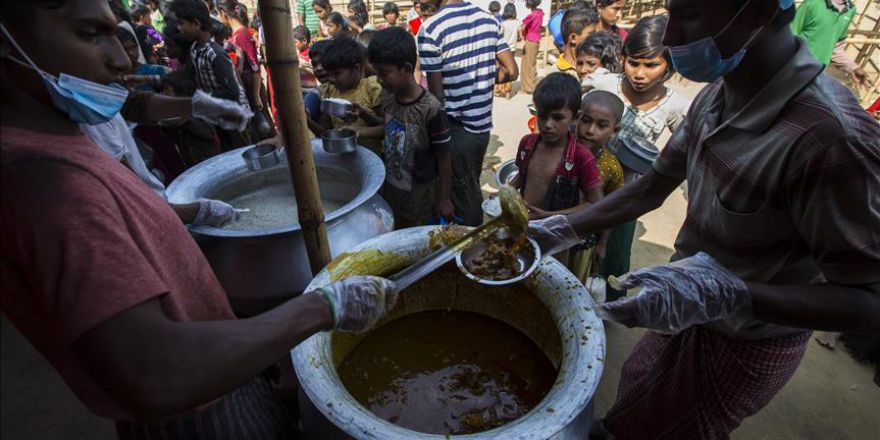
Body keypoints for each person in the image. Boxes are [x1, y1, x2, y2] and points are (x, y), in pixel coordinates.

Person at [1, 2, 398, 438]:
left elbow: (131, 106)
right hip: (197, 418)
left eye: (114, 33)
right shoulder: (48, 184)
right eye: (89, 34)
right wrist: (322, 306)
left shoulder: (57, 136)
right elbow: (154, 372)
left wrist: (194, 122)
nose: (119, 58)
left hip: (224, 377)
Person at [528, 0, 880, 438]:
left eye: (691, 15)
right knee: (629, 413)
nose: (673, 39)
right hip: (685, 312)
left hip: (745, 344)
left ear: (758, 11)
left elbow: (869, 301)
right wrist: (564, 228)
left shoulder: (832, 136)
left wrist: (730, 294)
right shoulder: (719, 94)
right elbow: (653, 185)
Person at [589, 15, 688, 301]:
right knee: (579, 244)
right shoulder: (604, 84)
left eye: (651, 65)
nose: (640, 74)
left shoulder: (675, 106)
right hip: (588, 183)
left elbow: (685, 150)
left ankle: (609, 305)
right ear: (622, 58)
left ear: (668, 65)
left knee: (615, 253)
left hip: (628, 194)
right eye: (634, 62)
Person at [419, 0, 518, 226]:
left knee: (463, 196)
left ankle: (471, 247)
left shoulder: (431, 28)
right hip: (482, 128)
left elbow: (437, 98)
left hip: (455, 129)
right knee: (470, 182)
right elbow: (511, 71)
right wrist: (481, 77)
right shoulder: (490, 20)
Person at [359, 26, 455, 227]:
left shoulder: (432, 110)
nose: (379, 80)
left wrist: (444, 198)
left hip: (420, 195)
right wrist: (358, 130)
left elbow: (444, 156)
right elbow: (389, 129)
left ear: (408, 68)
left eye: (384, 73)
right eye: (376, 73)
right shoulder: (389, 98)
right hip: (393, 188)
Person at [510, 73, 603, 273]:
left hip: (556, 236)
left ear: (576, 117)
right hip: (523, 226)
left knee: (548, 274)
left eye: (558, 117)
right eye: (542, 116)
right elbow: (521, 177)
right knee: (517, 269)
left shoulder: (581, 157)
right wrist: (505, 193)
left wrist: (550, 216)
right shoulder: (527, 144)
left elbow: (595, 203)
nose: (548, 124)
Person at [169, 0, 253, 151]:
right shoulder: (195, 49)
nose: (179, 28)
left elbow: (231, 91)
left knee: (241, 154)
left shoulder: (215, 53)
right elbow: (187, 74)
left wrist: (200, 98)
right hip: (219, 114)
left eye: (181, 23)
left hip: (235, 116)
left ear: (196, 23)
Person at [572, 90, 625, 283]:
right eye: (585, 120)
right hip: (548, 232)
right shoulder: (558, 149)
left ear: (615, 130)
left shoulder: (611, 167)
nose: (590, 130)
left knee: (571, 286)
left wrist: (602, 244)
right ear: (577, 117)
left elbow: (610, 209)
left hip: (583, 242)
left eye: (602, 125)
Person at [308, 37, 383, 155]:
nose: (331, 79)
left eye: (337, 73)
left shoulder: (371, 88)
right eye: (329, 74)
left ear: (356, 68)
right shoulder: (329, 91)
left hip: (373, 157)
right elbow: (325, 131)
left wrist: (364, 115)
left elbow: (387, 127)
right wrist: (306, 120)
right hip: (341, 158)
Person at [218, 0, 275, 141]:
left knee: (264, 126)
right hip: (246, 86)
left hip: (251, 87)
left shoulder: (242, 35)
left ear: (223, 14)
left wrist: (255, 96)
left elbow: (255, 66)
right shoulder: (236, 35)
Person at [791, 0, 868, 89]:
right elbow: (788, 37)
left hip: (816, 76)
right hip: (795, 71)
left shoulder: (850, 9)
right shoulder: (813, 4)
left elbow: (835, 48)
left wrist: (853, 68)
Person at [159, 71, 222, 168]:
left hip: (210, 161)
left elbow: (208, 133)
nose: (163, 94)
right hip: (193, 163)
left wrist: (187, 121)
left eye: (167, 90)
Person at [117, 27, 171, 92]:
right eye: (125, 50)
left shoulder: (154, 71)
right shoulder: (112, 78)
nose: (131, 53)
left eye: (133, 48)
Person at [556, 8, 600, 77]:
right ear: (573, 38)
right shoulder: (555, 76)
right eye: (591, 34)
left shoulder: (598, 67)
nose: (598, 38)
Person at [495, 3, 519, 98]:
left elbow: (500, 37)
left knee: (502, 69)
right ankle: (508, 92)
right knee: (511, 69)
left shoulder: (503, 24)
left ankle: (500, 90)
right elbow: (520, 35)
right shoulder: (517, 23)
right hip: (513, 48)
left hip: (504, 50)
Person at [519, 0, 543, 94]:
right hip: (536, 39)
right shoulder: (540, 13)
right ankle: (531, 85)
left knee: (526, 65)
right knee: (532, 63)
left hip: (530, 40)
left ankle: (528, 88)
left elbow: (523, 28)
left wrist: (522, 35)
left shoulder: (531, 15)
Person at [294, 25, 318, 90]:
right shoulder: (297, 53)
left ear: (304, 41)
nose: (293, 45)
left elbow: (314, 71)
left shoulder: (310, 54)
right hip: (300, 88)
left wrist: (304, 66)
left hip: (311, 89)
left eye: (295, 42)